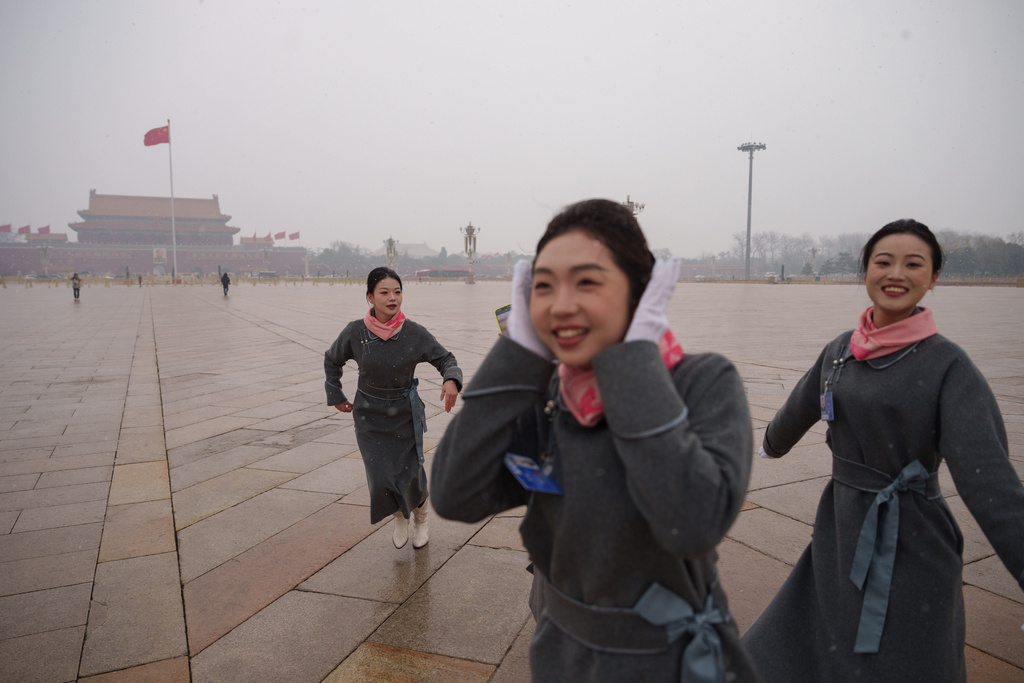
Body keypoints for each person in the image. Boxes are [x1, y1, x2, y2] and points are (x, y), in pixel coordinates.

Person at [431, 199, 758, 682]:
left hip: (668, 661)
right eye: (544, 286)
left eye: (587, 281)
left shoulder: (701, 382)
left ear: (640, 293)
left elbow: (691, 522)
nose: (561, 305)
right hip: (562, 653)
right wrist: (516, 358)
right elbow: (455, 493)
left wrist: (632, 362)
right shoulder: (548, 397)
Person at [742, 219, 1024, 682]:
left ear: (933, 278)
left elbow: (990, 480)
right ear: (866, 271)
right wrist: (771, 443)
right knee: (816, 640)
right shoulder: (841, 349)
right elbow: (803, 401)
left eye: (914, 264)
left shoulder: (948, 366)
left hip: (910, 535)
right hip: (841, 523)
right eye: (883, 261)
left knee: (904, 655)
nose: (897, 273)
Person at [324, 266, 462, 549]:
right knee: (380, 476)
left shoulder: (413, 333)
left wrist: (451, 379)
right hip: (369, 415)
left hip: (404, 414)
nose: (392, 298)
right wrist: (335, 392)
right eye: (384, 292)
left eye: (397, 292)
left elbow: (446, 358)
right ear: (370, 298)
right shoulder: (355, 332)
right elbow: (331, 360)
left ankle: (421, 519)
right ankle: (400, 514)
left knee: (412, 474)